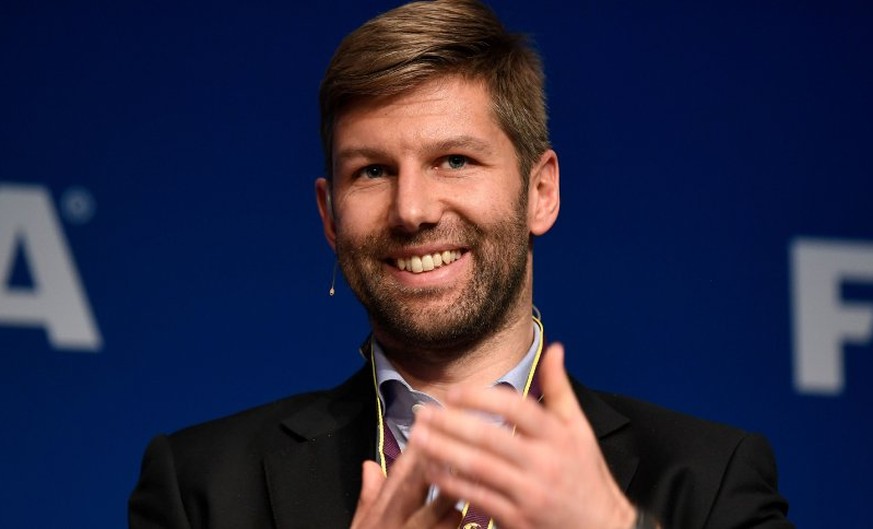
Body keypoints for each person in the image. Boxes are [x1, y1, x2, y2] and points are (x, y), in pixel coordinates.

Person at [129, 1, 793, 527]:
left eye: (454, 160)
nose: (412, 209)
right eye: (372, 171)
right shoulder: (201, 487)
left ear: (540, 190)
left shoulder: (710, 477)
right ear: (329, 215)